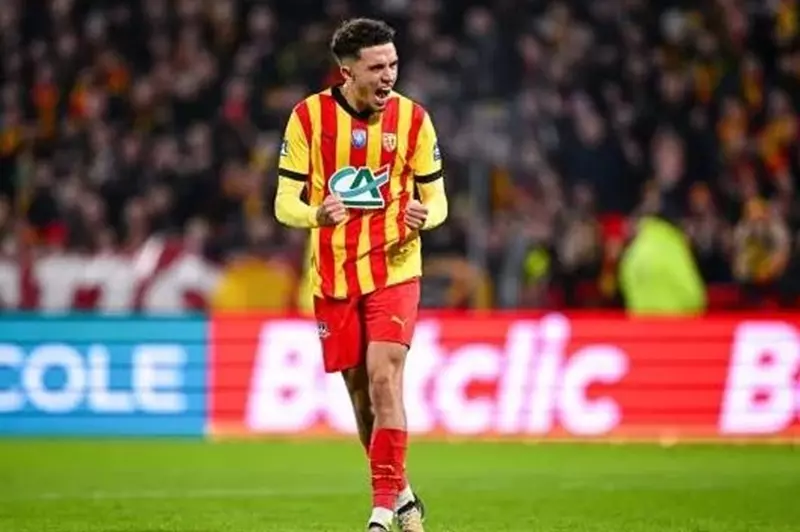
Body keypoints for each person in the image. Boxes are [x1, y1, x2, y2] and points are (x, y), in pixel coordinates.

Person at [273, 18, 448, 532]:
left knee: (383, 377)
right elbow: (284, 203)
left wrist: (425, 217)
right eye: (377, 67)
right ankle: (404, 497)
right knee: (360, 394)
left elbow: (438, 200)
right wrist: (316, 214)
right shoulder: (308, 118)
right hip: (335, 274)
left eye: (393, 64)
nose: (389, 75)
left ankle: (380, 513)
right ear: (347, 72)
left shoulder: (414, 120)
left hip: (395, 265)